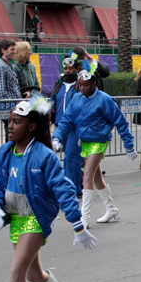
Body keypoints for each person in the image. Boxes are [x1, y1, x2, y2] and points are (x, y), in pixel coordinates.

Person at [0, 99, 97, 282]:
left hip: (35, 218)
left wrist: (78, 225)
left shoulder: (43, 156)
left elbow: (64, 189)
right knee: (34, 274)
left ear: (32, 126)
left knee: (16, 272)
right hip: (15, 217)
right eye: (10, 121)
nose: (10, 126)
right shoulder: (5, 152)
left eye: (17, 122)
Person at [52, 68, 137, 227]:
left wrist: (129, 145)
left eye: (86, 85)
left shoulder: (104, 99)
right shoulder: (76, 98)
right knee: (97, 178)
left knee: (87, 176)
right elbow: (66, 120)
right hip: (84, 141)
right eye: (80, 85)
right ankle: (112, 209)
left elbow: (120, 121)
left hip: (99, 141)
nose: (82, 88)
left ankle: (84, 217)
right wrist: (56, 136)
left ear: (94, 83)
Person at [49, 54, 82, 195]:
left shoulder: (80, 84)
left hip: (74, 126)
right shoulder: (59, 83)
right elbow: (53, 101)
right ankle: (77, 186)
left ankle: (70, 188)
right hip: (60, 125)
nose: (68, 71)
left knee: (71, 156)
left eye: (71, 68)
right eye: (66, 68)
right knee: (69, 158)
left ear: (76, 69)